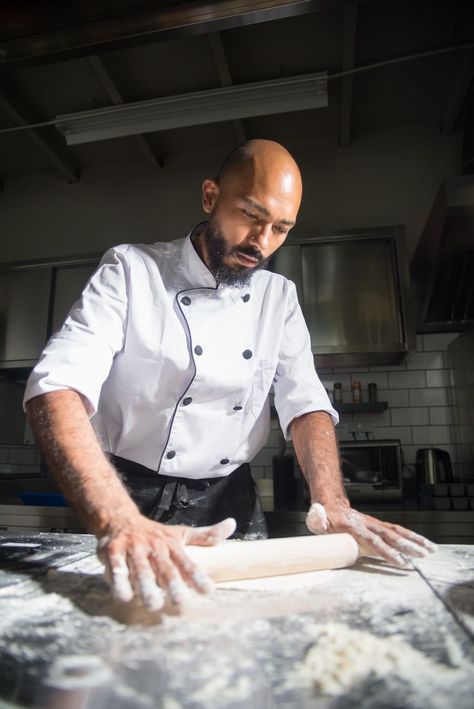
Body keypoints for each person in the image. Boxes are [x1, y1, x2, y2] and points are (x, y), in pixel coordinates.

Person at [24, 139, 436, 610]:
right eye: (251, 216)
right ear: (209, 196)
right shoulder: (132, 271)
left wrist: (333, 502)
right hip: (126, 497)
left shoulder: (278, 298)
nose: (262, 243)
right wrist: (116, 518)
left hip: (230, 503)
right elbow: (56, 386)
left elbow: (305, 404)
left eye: (281, 228)